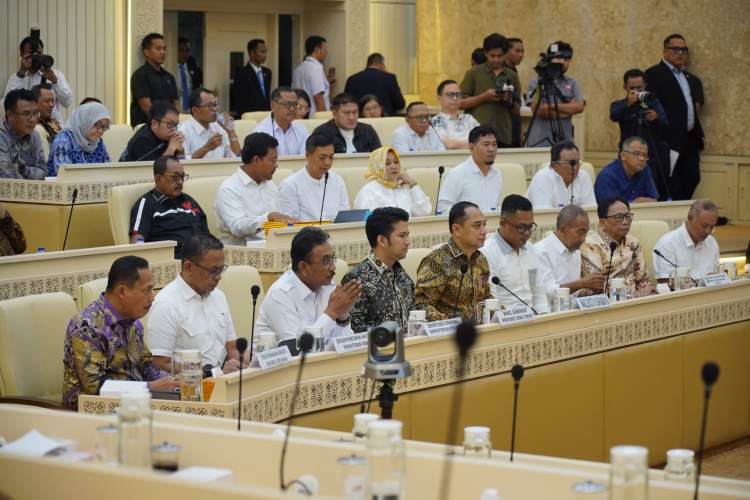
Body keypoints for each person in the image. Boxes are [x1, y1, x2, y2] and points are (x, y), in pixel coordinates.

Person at [63, 256, 178, 410]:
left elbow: (146, 365)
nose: (152, 297)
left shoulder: (133, 323)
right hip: (90, 412)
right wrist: (149, 387)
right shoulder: (86, 326)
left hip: (136, 405)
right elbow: (95, 387)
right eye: (147, 290)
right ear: (122, 291)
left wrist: (174, 383)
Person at [147, 234, 246, 374]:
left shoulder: (219, 296)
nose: (219, 277)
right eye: (213, 271)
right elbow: (161, 364)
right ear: (188, 267)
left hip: (225, 380)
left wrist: (244, 366)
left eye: (221, 269)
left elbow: (232, 347)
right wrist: (213, 374)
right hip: (192, 384)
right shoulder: (166, 304)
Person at [255, 227, 362, 348]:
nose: (333, 267)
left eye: (333, 258)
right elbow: (299, 350)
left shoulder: (328, 287)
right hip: (276, 360)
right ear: (304, 267)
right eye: (326, 261)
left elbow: (345, 346)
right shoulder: (280, 294)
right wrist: (332, 312)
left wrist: (342, 317)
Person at [645, 34, 705, 200]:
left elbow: (693, 107)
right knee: (669, 181)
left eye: (683, 50)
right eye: (675, 49)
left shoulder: (689, 78)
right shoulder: (653, 74)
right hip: (668, 140)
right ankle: (671, 211)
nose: (680, 53)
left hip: (689, 138)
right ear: (665, 51)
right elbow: (649, 105)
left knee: (692, 177)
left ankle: (680, 209)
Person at [414, 201, 491, 321]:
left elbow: (486, 298)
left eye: (484, 225)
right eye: (477, 226)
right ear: (457, 230)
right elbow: (421, 305)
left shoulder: (480, 259)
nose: (484, 231)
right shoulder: (437, 261)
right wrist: (450, 324)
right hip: (448, 331)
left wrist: (501, 313)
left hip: (480, 329)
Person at [215, 133, 296, 244]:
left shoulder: (270, 184)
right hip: (241, 250)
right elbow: (237, 227)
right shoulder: (229, 188)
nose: (276, 165)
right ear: (256, 160)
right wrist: (268, 218)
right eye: (273, 161)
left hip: (273, 246)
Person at [342, 207, 413, 333]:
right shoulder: (356, 279)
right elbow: (354, 331)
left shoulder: (402, 275)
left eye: (408, 235)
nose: (408, 242)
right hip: (377, 345)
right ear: (382, 240)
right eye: (402, 236)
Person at [480, 195, 551, 313]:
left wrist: (544, 316)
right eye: (522, 227)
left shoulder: (531, 250)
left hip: (534, 319)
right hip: (505, 320)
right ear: (503, 223)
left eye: (530, 226)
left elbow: (538, 292)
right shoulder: (486, 254)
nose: (527, 233)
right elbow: (491, 303)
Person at [129, 156, 208, 258]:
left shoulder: (189, 200)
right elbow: (137, 241)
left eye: (182, 177)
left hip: (202, 256)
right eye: (175, 177)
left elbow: (206, 234)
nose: (180, 182)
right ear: (158, 179)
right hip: (174, 259)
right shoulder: (146, 203)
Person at [580, 197, 654, 296]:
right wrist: (634, 294)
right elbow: (596, 286)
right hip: (608, 301)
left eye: (628, 216)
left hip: (637, 299)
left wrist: (645, 291)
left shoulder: (633, 243)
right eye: (619, 217)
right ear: (603, 222)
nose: (625, 222)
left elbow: (643, 278)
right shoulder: (590, 245)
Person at [459, 33, 521, 148]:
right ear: (485, 53)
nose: (496, 59)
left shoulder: (512, 76)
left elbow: (517, 111)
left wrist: (508, 100)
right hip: (478, 134)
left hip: (503, 134)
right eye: (492, 56)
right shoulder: (473, 73)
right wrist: (483, 97)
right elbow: (460, 103)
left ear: (505, 54)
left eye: (500, 56)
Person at [534, 204, 606, 294]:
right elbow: (548, 292)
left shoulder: (575, 251)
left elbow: (574, 293)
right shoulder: (540, 251)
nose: (583, 239)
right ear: (563, 229)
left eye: (586, 232)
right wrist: (582, 284)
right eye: (580, 232)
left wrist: (589, 290)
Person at [525, 41, 585, 147]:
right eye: (559, 58)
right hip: (540, 142)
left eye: (566, 59)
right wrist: (568, 110)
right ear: (549, 59)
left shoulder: (572, 83)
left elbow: (580, 107)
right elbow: (539, 111)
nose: (563, 62)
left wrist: (551, 106)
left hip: (565, 142)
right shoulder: (536, 82)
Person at [4, 35, 73, 124]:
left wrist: (55, 81)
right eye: (30, 54)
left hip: (52, 128)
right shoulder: (16, 77)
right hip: (26, 127)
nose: (35, 57)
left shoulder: (55, 75)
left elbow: (67, 102)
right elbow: (7, 104)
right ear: (21, 55)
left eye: (39, 53)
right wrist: (21, 73)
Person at [279, 134, 350, 221]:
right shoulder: (290, 185)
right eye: (322, 157)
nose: (327, 163)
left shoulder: (338, 181)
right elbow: (290, 223)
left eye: (331, 157)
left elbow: (345, 218)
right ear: (307, 155)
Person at [437, 125, 502, 214]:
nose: (491, 149)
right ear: (471, 148)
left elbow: (497, 206)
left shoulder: (497, 174)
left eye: (494, 144)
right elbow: (442, 208)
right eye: (486, 145)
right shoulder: (457, 174)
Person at [653, 199, 720, 280]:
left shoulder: (712, 242)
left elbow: (716, 276)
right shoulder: (668, 244)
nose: (708, 231)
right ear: (690, 218)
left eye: (712, 227)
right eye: (704, 226)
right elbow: (665, 282)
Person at [354, 146, 432, 216]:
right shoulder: (369, 190)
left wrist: (413, 184)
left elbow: (424, 211)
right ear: (378, 166)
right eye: (387, 163)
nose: (393, 166)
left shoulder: (405, 187)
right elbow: (364, 220)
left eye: (396, 162)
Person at [47, 101, 111, 176]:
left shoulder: (98, 142)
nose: (100, 131)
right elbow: (63, 174)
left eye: (104, 126)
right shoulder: (63, 140)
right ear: (84, 121)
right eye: (96, 124)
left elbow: (109, 170)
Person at [526, 141, 596, 209]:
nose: (574, 167)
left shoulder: (583, 176)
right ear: (555, 164)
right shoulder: (542, 178)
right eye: (569, 163)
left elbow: (590, 210)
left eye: (577, 162)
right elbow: (544, 214)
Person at [130, 33, 179, 127]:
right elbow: (146, 106)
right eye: (158, 48)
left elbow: (176, 105)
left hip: (169, 127)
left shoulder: (169, 77)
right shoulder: (140, 75)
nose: (162, 52)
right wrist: (164, 124)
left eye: (164, 49)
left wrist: (173, 123)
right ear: (146, 52)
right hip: (146, 127)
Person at [179, 88, 239, 159]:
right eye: (209, 106)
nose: (214, 109)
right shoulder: (183, 131)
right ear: (195, 110)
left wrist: (231, 133)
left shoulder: (219, 127)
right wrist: (206, 148)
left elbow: (237, 158)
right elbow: (183, 162)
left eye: (215, 105)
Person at [594, 136, 659, 204]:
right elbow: (611, 207)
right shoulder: (607, 176)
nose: (642, 158)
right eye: (636, 154)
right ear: (623, 156)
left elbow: (654, 200)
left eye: (644, 155)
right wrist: (634, 203)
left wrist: (636, 202)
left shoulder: (645, 170)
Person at [312, 93, 381, 153]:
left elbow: (379, 157)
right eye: (346, 113)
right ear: (334, 114)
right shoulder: (322, 132)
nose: (351, 117)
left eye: (355, 112)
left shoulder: (367, 130)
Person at [0, 89, 46, 179]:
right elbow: (8, 178)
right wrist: (31, 175)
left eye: (35, 113)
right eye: (26, 114)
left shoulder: (34, 135)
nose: (32, 119)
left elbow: (43, 172)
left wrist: (22, 169)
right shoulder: (2, 137)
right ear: (9, 115)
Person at [120, 100, 184, 162]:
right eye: (170, 124)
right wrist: (171, 148)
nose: (174, 129)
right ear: (154, 123)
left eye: (176, 124)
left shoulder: (166, 137)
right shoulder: (142, 140)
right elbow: (154, 168)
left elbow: (179, 164)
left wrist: (180, 150)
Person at [252, 87, 309, 156]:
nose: (292, 108)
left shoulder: (302, 131)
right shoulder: (261, 132)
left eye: (295, 104)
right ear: (273, 106)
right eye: (287, 104)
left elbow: (304, 159)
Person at [431, 79, 480, 150]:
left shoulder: (469, 118)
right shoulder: (435, 121)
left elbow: (483, 140)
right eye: (450, 95)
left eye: (458, 94)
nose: (455, 98)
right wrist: (474, 143)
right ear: (439, 98)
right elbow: (449, 145)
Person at [231, 38, 272, 115]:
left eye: (265, 52)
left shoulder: (267, 72)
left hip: (266, 114)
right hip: (250, 115)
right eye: (262, 52)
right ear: (252, 53)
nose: (265, 55)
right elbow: (240, 99)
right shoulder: (242, 73)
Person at [292, 36, 330, 116]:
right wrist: (322, 119)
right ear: (317, 49)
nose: (326, 53)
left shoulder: (298, 69)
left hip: (300, 116)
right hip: (314, 116)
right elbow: (318, 98)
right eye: (324, 49)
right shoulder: (316, 68)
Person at [505, 38, 525, 147]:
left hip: (514, 124)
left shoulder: (513, 71)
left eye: (522, 51)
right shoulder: (503, 72)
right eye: (517, 51)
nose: (521, 54)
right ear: (506, 51)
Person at [176, 37, 203, 112]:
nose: (185, 54)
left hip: (191, 109)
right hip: (175, 109)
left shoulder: (194, 68)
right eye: (181, 50)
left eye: (187, 50)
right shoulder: (170, 68)